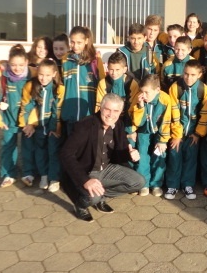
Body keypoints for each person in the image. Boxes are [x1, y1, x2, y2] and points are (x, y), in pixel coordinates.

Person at [59, 93, 146, 222]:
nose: (111, 115)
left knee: (139, 182)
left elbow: (118, 154)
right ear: (100, 107)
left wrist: (130, 154)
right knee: (92, 197)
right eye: (107, 109)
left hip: (106, 168)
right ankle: (81, 205)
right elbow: (65, 154)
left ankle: (100, 197)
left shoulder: (119, 125)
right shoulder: (85, 125)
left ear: (120, 112)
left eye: (116, 111)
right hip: (87, 171)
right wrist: (85, 180)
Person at [0, 44, 35, 188]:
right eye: (13, 65)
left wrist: (33, 122)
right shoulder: (2, 75)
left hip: (28, 120)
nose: (17, 68)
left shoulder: (33, 74)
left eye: (21, 65)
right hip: (8, 119)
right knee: (8, 147)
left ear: (27, 62)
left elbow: (38, 100)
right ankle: (8, 174)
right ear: (8, 63)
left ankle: (28, 173)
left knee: (28, 147)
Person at [166, 60, 207, 200]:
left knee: (191, 158)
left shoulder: (204, 89)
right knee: (174, 156)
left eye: (192, 75)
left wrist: (198, 133)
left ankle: (188, 184)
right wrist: (177, 134)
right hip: (177, 131)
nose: (188, 77)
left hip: (193, 132)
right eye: (186, 74)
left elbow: (205, 113)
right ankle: (172, 185)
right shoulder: (175, 87)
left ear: (199, 74)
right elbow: (173, 112)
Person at [20, 58, 65, 192]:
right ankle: (44, 176)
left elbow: (57, 110)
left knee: (53, 152)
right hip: (39, 128)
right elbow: (28, 106)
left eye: (47, 75)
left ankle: (54, 179)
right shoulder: (35, 87)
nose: (43, 78)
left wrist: (55, 128)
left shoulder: (58, 89)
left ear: (54, 74)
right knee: (40, 152)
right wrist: (28, 124)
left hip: (52, 129)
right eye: (41, 74)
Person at [128, 74, 173, 197]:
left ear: (157, 90)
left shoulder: (165, 99)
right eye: (142, 91)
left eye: (147, 92)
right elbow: (137, 122)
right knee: (142, 157)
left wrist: (163, 140)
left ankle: (156, 184)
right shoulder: (138, 99)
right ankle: (143, 184)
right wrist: (140, 106)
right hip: (143, 131)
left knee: (159, 157)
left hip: (159, 133)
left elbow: (167, 121)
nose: (143, 95)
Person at [61, 26, 105, 135]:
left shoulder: (95, 60)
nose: (75, 46)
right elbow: (61, 87)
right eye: (72, 42)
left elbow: (102, 86)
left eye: (79, 42)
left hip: (88, 116)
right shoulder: (65, 60)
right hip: (70, 115)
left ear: (86, 41)